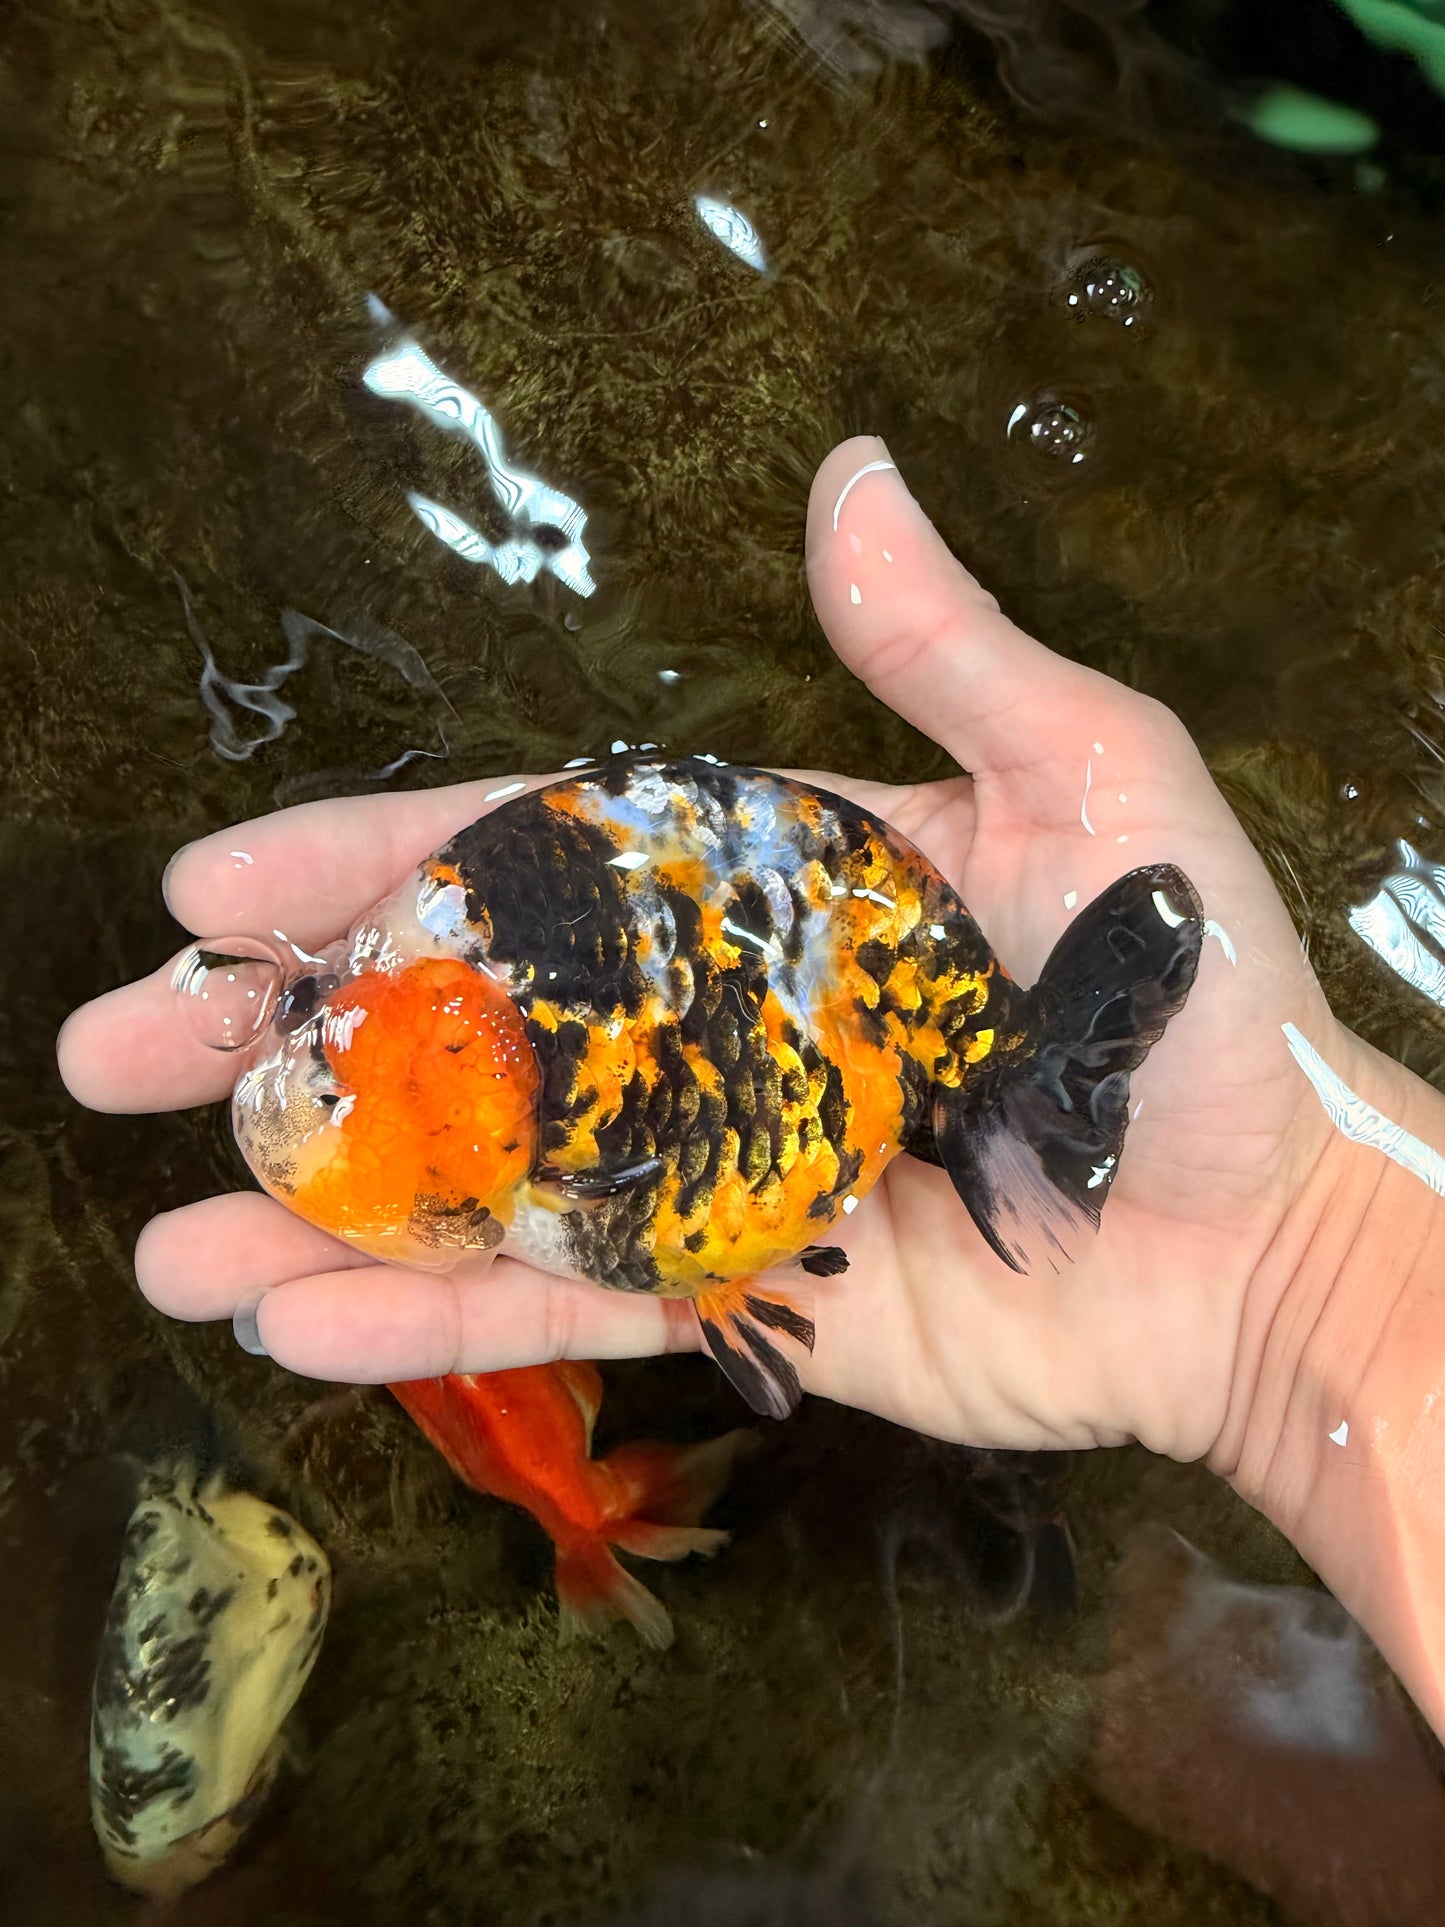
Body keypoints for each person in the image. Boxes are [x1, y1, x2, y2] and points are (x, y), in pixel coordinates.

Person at [57, 436, 1445, 1741]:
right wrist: (1303, 1267)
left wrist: (1293, 1249)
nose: (316, 1054)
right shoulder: (461, 956)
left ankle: (1007, 1085)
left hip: (813, 1037)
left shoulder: (530, 1089)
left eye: (327, 1050)